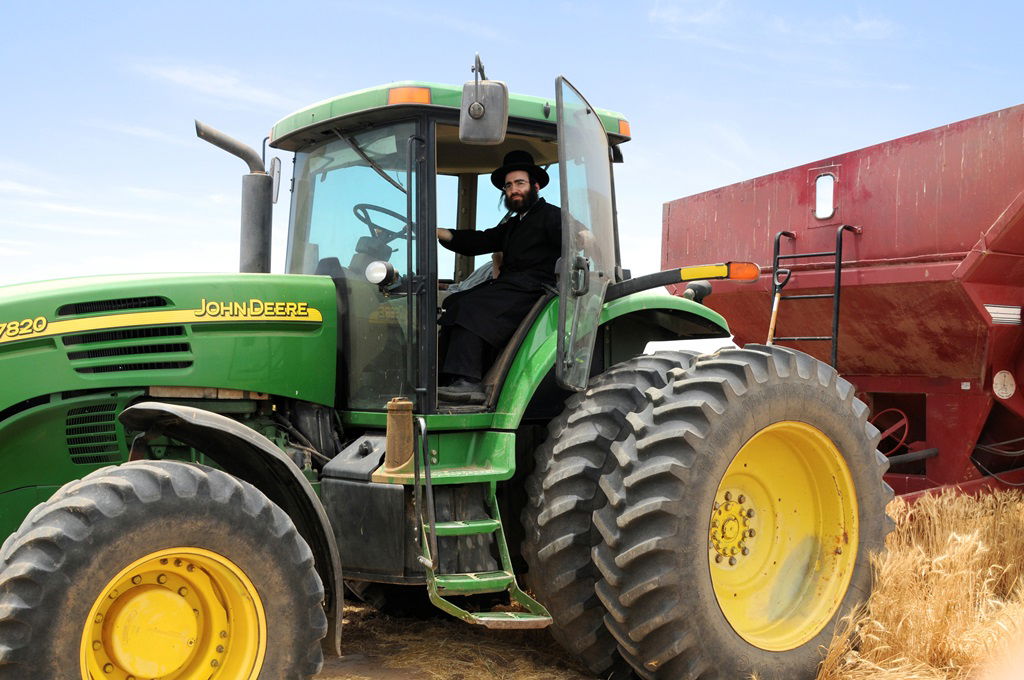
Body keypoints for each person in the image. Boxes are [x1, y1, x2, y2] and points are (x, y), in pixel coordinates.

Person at [436, 150, 561, 403]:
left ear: (535, 186)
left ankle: (468, 382)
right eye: (508, 185)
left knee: (471, 306)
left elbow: (577, 239)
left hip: (536, 289)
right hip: (511, 286)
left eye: (519, 183)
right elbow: (480, 239)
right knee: (453, 302)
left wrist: (584, 239)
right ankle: (445, 378)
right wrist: (437, 232)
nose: (513, 189)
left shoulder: (552, 216)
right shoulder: (514, 225)